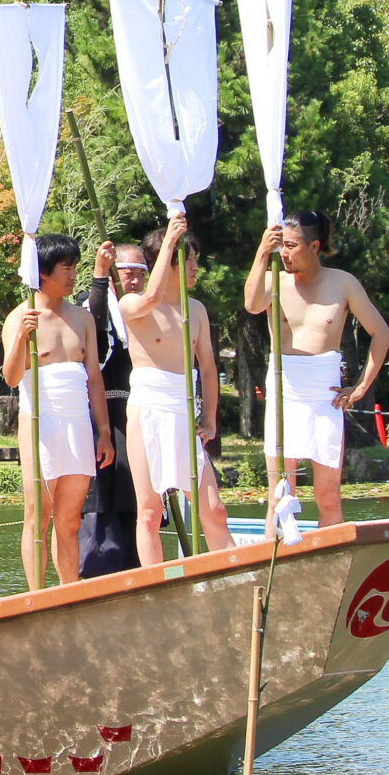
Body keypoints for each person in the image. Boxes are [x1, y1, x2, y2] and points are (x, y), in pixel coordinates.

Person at [243, 210, 389, 526]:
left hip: (324, 394)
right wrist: (261, 252)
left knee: (328, 498)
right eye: (281, 245)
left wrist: (362, 385)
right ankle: (280, 565)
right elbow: (252, 305)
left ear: (314, 246)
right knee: (280, 497)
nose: (285, 253)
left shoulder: (343, 283)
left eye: (292, 245)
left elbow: (381, 333)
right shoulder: (273, 279)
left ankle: (332, 566)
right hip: (285, 390)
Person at [0, 235, 114, 586]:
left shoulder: (83, 318)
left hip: (78, 423)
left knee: (71, 519)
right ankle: (35, 592)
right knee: (38, 516)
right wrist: (21, 338)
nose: (73, 276)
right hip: (40, 423)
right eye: (66, 269)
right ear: (44, 273)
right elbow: (11, 376)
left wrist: (104, 431)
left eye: (75, 268)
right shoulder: (20, 316)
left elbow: (94, 376)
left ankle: (69, 589)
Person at [118, 215, 231, 561]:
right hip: (148, 407)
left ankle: (231, 573)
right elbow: (151, 297)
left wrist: (209, 420)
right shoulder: (132, 303)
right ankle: (154, 587)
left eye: (195, 258)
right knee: (150, 510)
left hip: (183, 408)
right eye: (189, 258)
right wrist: (169, 241)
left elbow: (209, 368)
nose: (195, 266)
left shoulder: (195, 310)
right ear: (166, 263)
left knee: (213, 508)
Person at [78, 239, 142, 576]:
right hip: (101, 413)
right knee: (101, 497)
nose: (134, 280)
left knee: (139, 498)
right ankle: (98, 570)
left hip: (137, 413)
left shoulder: (150, 310)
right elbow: (98, 333)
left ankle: (140, 564)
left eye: (140, 273)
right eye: (127, 273)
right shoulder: (88, 308)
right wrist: (100, 277)